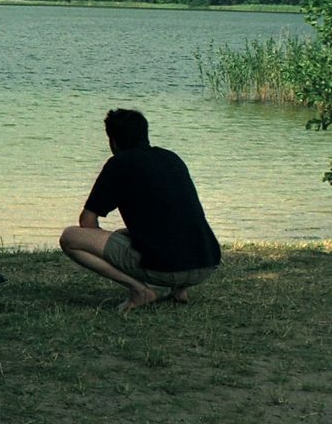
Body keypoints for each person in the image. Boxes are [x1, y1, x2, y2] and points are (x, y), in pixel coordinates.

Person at [59, 109, 221, 311]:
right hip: (206, 262)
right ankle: (179, 290)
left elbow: (87, 221)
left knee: (70, 237)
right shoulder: (172, 158)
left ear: (113, 141)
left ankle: (140, 291)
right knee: (127, 234)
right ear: (145, 134)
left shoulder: (119, 164)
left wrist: (104, 243)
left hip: (168, 268)